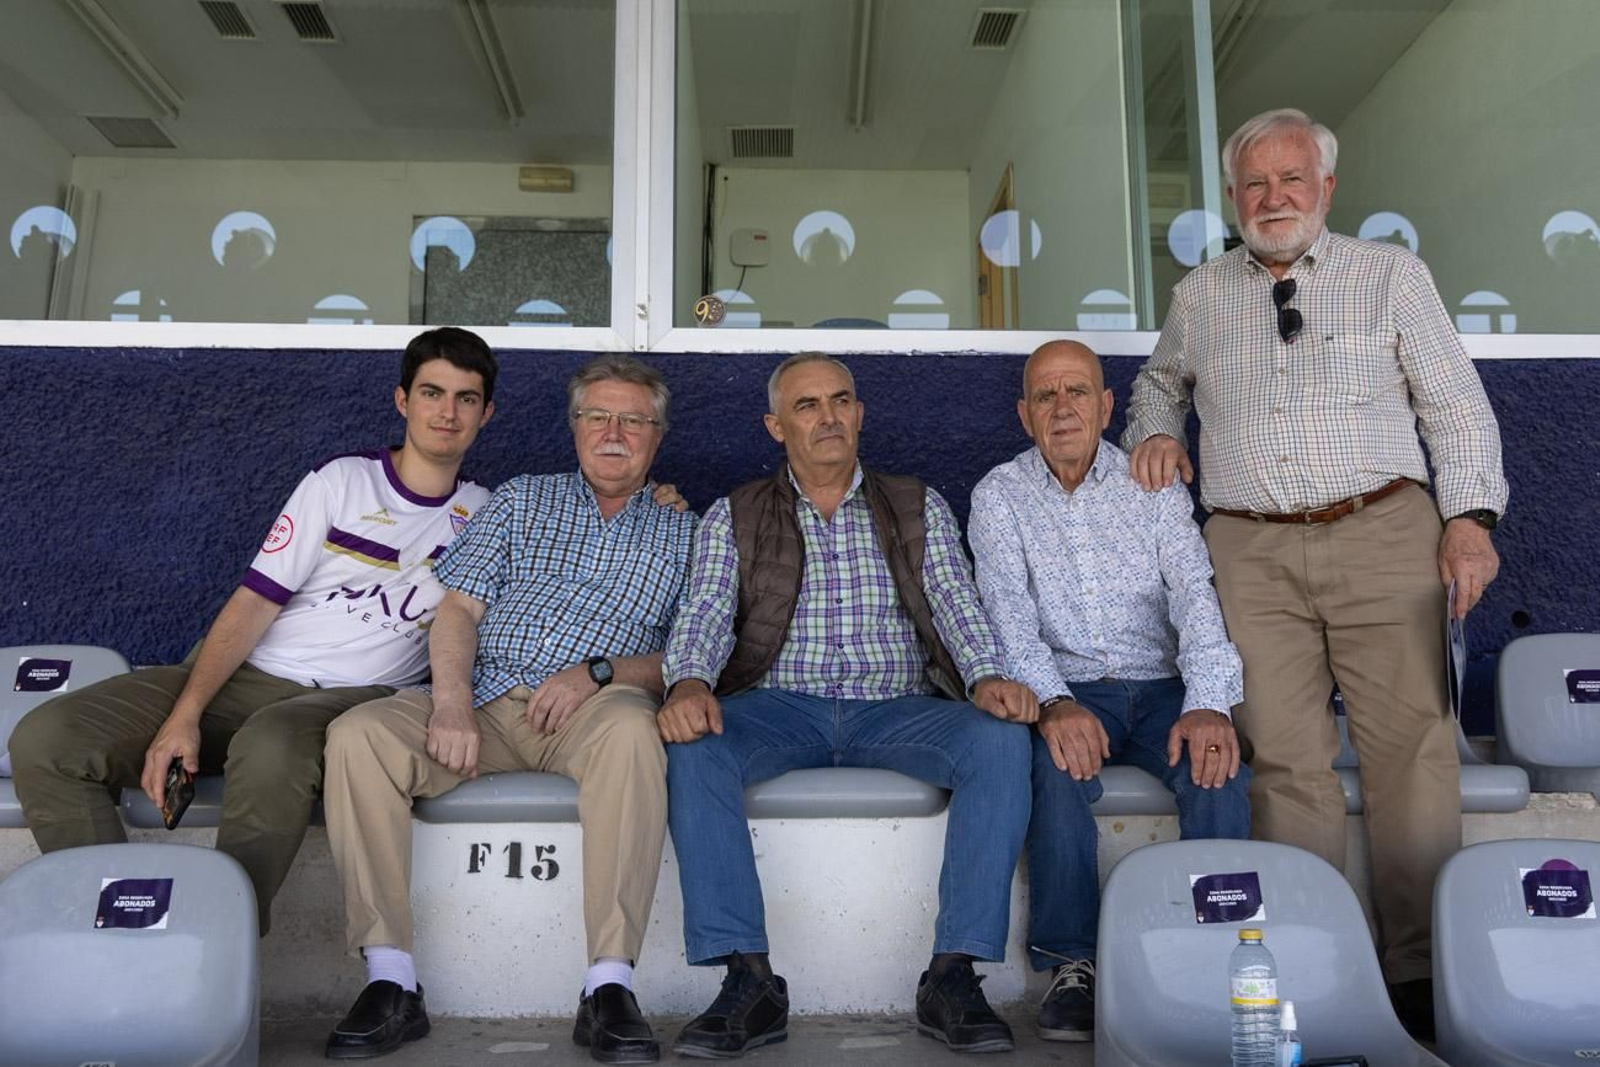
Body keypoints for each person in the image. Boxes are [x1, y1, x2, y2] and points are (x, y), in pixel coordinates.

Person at [1121, 107, 1508, 1038]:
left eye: (1292, 180)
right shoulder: (1201, 293)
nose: (1273, 198)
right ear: (1231, 197)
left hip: (1382, 531)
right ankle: (1314, 953)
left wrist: (1469, 521)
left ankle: (1417, 972)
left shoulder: (1391, 277)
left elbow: (1456, 406)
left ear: (1327, 188)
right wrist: (1157, 429)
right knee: (1286, 763)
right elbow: (1158, 381)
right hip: (1249, 549)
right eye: (1254, 184)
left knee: (1411, 751)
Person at [11, 326, 498, 936]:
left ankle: (215, 948)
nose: (447, 412)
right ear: (403, 401)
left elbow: (573, 532)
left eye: (466, 398)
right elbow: (254, 603)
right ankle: (103, 933)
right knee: (47, 738)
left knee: (270, 744)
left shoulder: (488, 514)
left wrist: (659, 498)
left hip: (355, 698)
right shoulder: (341, 482)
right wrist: (187, 711)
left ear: (487, 413)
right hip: (248, 677)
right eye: (432, 393)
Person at [657, 353, 1037, 1058]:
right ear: (776, 425)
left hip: (895, 706)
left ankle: (953, 974)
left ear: (860, 413)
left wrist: (986, 674)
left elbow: (955, 600)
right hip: (779, 704)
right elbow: (705, 610)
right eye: (807, 405)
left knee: (1000, 739)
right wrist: (688, 682)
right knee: (694, 743)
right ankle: (748, 979)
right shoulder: (734, 513)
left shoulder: (914, 501)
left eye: (841, 400)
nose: (828, 416)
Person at [320, 355, 697, 1064]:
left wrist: (599, 672)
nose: (613, 433)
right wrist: (453, 704)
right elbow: (458, 608)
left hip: (593, 709)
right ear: (575, 426)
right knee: (358, 734)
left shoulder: (689, 531)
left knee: (629, 729)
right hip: (485, 704)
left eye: (633, 421)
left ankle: (608, 985)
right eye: (597, 417)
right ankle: (391, 980)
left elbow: (691, 656)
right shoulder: (522, 499)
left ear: (658, 435)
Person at [969, 339, 1251, 1042]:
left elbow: (1194, 594)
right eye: (1044, 396)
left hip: (1162, 686)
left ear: (1105, 405)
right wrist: (1054, 701)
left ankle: (1215, 949)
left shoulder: (1150, 484)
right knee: (1054, 765)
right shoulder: (998, 494)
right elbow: (1006, 613)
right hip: (1071, 687)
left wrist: (1210, 702)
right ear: (1024, 413)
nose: (1061, 408)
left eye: (1076, 392)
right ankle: (1073, 962)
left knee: (1217, 764)